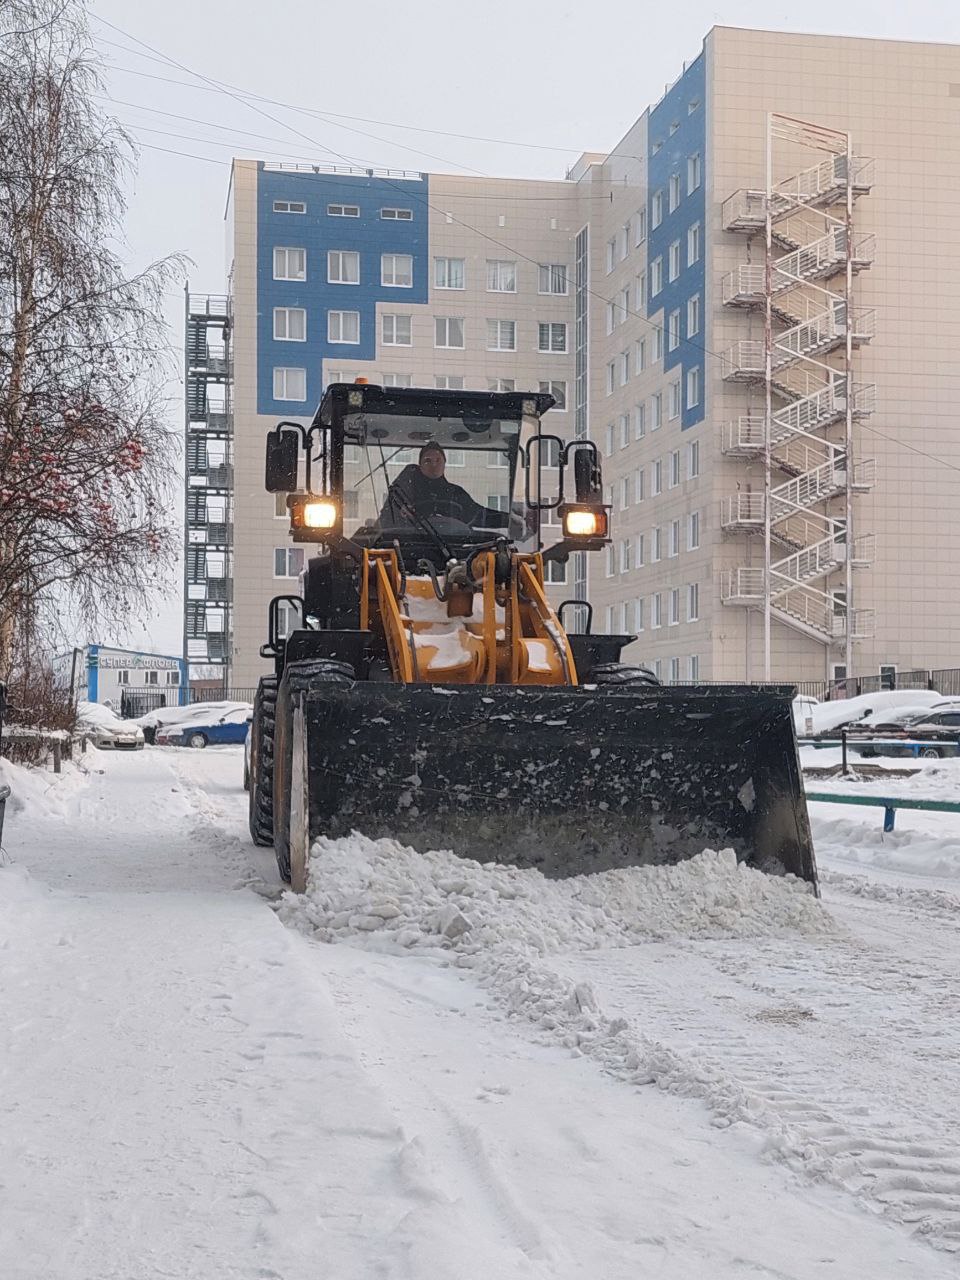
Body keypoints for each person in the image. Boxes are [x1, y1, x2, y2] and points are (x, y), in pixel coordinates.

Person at [379, 443, 511, 532]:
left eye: (438, 460)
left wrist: (509, 520)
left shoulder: (456, 493)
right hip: (412, 549)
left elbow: (479, 515)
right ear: (420, 465)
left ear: (444, 463)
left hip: (456, 551)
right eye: (428, 461)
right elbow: (387, 522)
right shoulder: (404, 493)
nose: (434, 465)